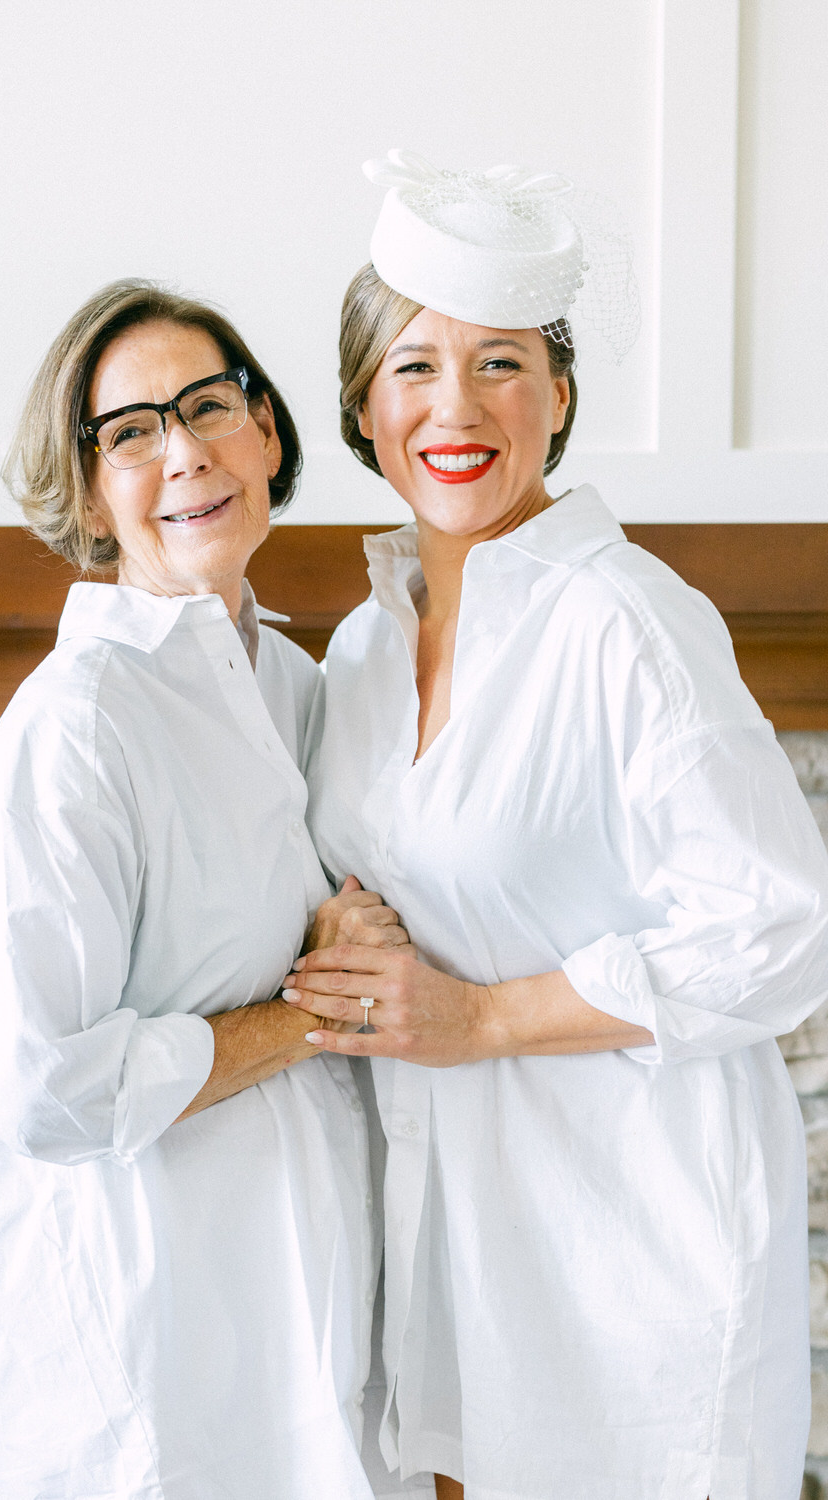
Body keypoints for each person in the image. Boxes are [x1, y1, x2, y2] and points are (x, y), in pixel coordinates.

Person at [284, 152, 828, 1499]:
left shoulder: (630, 624)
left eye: (502, 364)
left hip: (627, 1241)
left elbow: (778, 933)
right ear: (363, 402)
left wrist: (477, 1020)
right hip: (449, 1240)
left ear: (562, 396)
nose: (454, 407)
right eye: (414, 366)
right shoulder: (358, 649)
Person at [0, 277, 410, 1500]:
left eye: (209, 406)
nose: (183, 452)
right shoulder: (77, 731)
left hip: (321, 1327)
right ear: (87, 492)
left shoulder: (299, 684)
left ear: (269, 432)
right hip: (164, 1371)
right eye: (129, 433)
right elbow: (46, 1089)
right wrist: (309, 1016)